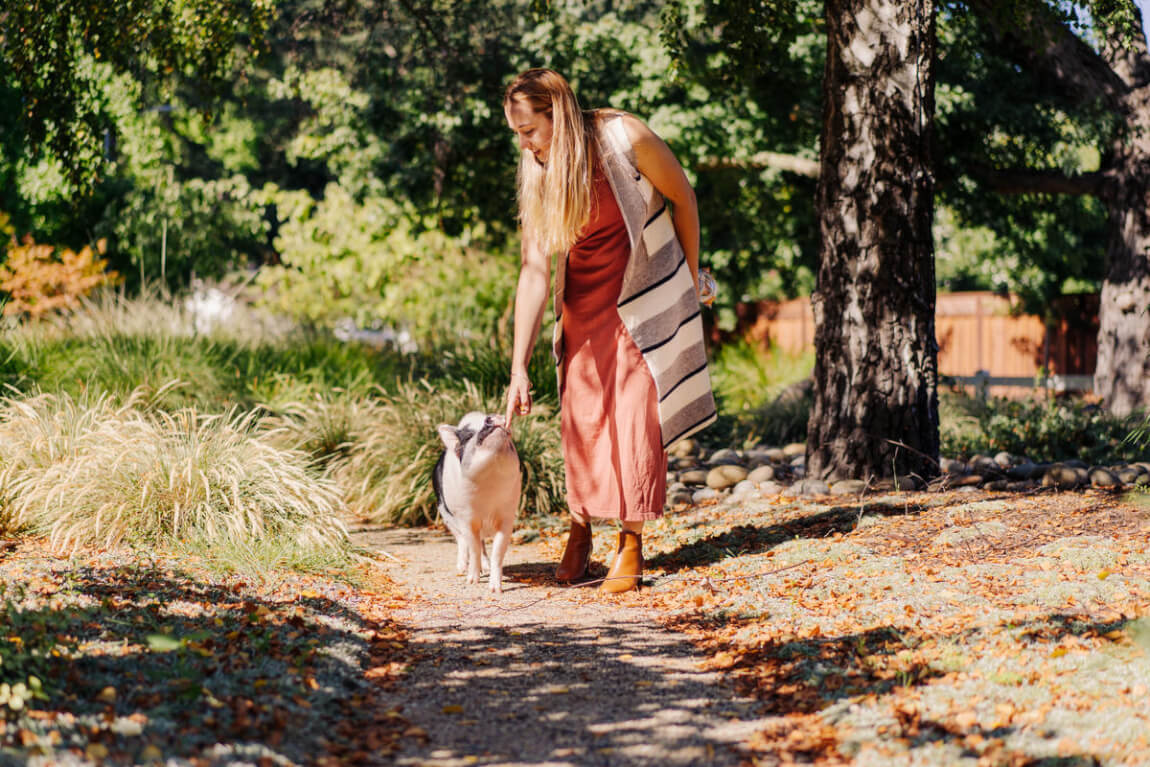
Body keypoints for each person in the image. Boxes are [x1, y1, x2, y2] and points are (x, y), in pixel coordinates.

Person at [502, 68, 716, 594]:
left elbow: (683, 196)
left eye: (529, 130)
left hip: (640, 293)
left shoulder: (623, 136)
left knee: (637, 413)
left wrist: (688, 279)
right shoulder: (537, 168)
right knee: (585, 417)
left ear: (560, 116)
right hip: (582, 301)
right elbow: (534, 270)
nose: (524, 144)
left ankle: (631, 540)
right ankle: (580, 528)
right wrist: (517, 367)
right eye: (517, 134)